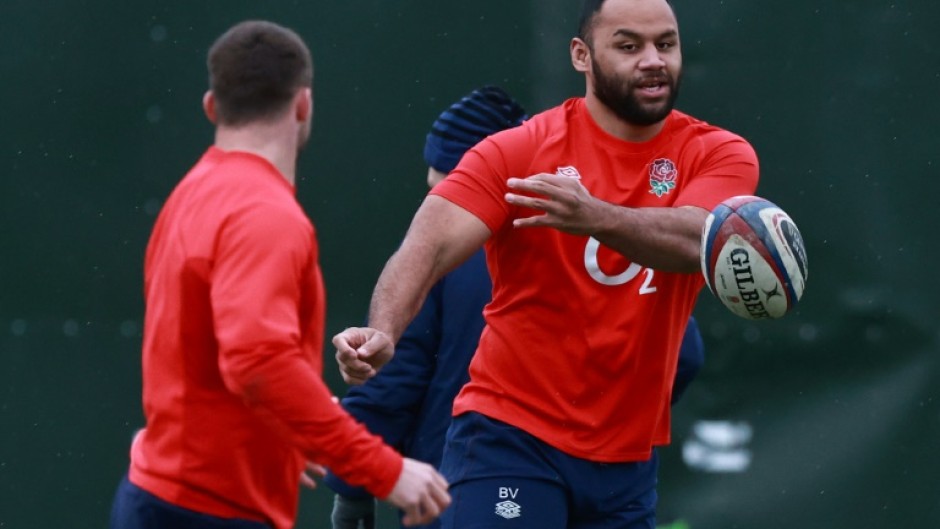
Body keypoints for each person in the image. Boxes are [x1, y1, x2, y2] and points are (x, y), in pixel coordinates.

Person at [334, 0, 758, 527]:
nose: (653, 60)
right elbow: (428, 245)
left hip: (626, 461)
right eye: (628, 46)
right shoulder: (518, 150)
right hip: (510, 440)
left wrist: (596, 217)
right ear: (581, 55)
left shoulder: (719, 152)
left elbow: (697, 237)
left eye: (665, 44)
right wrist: (383, 331)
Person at [107, 20, 449, 529]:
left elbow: (212, 359)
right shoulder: (264, 213)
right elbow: (258, 362)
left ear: (210, 106)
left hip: (163, 496)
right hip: (209, 512)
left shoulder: (192, 192)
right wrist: (386, 470)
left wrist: (296, 429)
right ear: (304, 104)